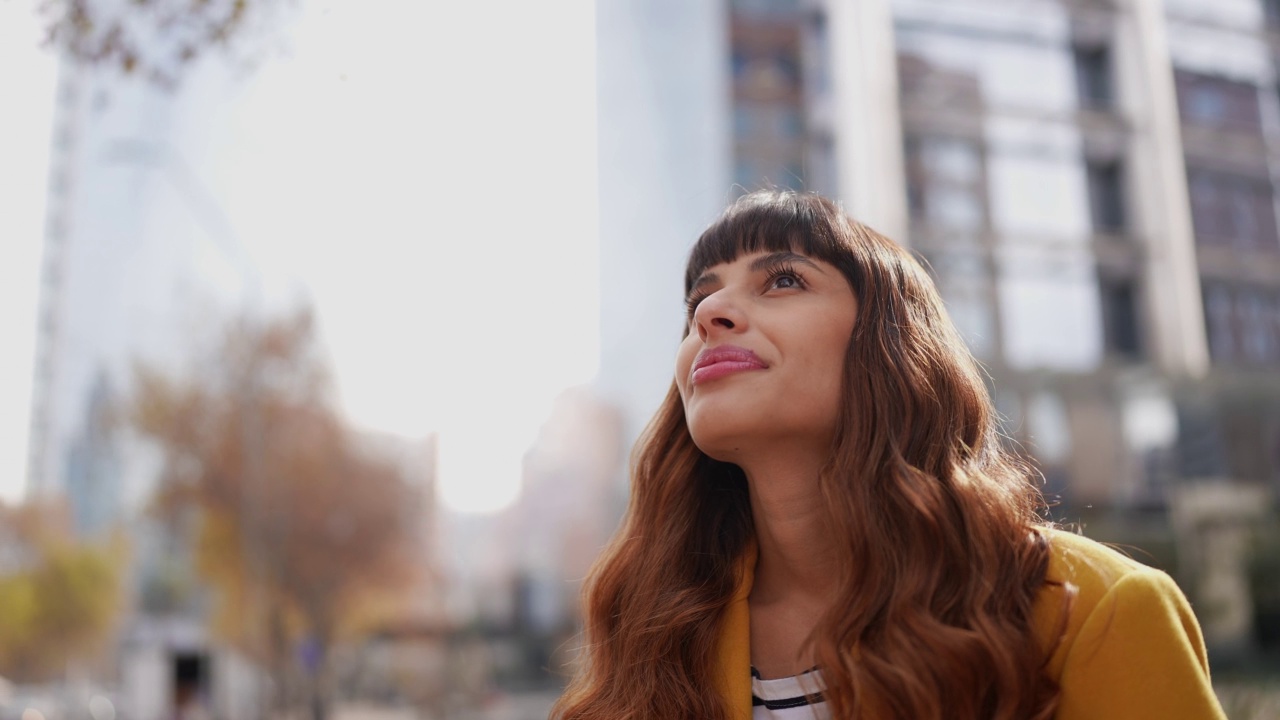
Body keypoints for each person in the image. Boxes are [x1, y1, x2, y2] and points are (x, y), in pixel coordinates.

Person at [550, 190, 1228, 720]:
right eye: (699, 297)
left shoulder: (1097, 613)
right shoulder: (657, 626)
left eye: (782, 279)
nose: (709, 314)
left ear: (889, 347)